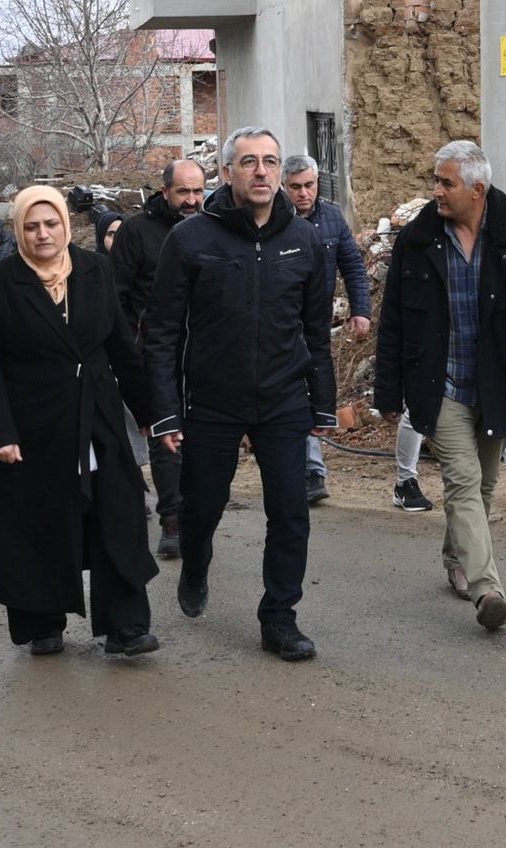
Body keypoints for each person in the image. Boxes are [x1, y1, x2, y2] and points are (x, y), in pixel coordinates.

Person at [142, 127, 336, 662]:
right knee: (202, 509)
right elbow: (160, 332)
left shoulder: (304, 240)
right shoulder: (190, 240)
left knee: (291, 512)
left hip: (282, 400)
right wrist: (165, 412)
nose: (261, 172)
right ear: (226, 173)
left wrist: (322, 402)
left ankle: (279, 617)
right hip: (212, 402)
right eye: (248, 162)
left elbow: (317, 331)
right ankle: (197, 565)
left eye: (270, 162)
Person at [374, 140, 506, 633]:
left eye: (445, 183)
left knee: (486, 485)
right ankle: (487, 589)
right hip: (439, 384)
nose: (436, 191)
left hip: (496, 385)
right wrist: (387, 393)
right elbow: (394, 321)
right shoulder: (419, 239)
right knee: (463, 482)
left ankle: (454, 556)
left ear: (477, 190)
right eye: (436, 180)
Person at [0, 186, 160, 658]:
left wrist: (153, 415)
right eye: (32, 225)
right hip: (30, 428)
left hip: (97, 416)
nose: (43, 233)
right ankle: (41, 621)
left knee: (118, 515)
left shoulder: (95, 270)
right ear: (19, 230)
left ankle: (126, 625)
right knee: (37, 523)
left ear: (67, 225)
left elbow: (121, 348)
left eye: (51, 223)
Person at [108, 158, 207, 558]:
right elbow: (116, 297)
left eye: (198, 191)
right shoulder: (136, 232)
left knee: (202, 439)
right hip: (155, 353)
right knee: (167, 437)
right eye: (183, 192)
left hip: (204, 352)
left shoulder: (211, 226)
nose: (192, 200)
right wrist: (131, 349)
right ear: (165, 191)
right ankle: (172, 518)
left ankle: (199, 514)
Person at [281, 154, 370, 507]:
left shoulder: (331, 218)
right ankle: (303, 468)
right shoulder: (272, 219)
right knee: (289, 393)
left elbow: (353, 265)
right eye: (296, 187)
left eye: (310, 185)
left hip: (316, 323)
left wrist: (360, 311)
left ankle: (313, 471)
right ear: (283, 187)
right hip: (280, 324)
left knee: (316, 390)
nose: (304, 194)